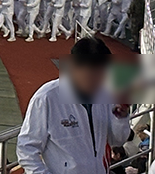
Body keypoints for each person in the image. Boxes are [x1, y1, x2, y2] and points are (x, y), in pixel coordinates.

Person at [17, 37, 130, 174]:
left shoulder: (104, 93)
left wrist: (120, 118)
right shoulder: (47, 98)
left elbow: (117, 141)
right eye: (92, 75)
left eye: (102, 75)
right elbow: (26, 149)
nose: (98, 81)